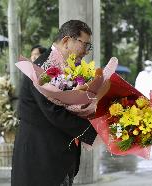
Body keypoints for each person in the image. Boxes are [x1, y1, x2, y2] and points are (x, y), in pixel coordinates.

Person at [11, 20, 97, 186]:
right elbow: (55, 112)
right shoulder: (42, 69)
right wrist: (97, 131)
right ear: (66, 41)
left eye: (89, 47)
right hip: (40, 161)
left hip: (58, 159)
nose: (86, 52)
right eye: (85, 45)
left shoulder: (69, 68)